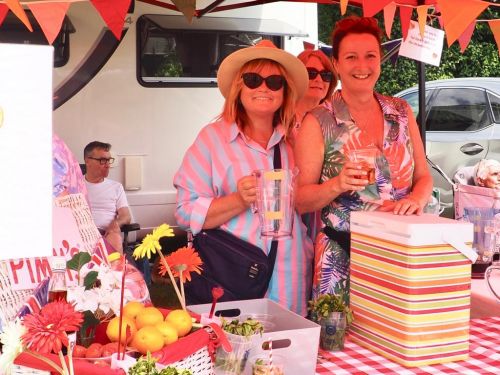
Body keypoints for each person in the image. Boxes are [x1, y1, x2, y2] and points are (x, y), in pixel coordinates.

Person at [294, 16, 433, 299]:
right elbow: (299, 199)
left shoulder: (401, 111)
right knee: (342, 342)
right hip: (342, 260)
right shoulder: (319, 121)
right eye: (351, 57)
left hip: (401, 254)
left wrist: (416, 200)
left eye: (370, 56)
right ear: (337, 64)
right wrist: (337, 184)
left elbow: (423, 176)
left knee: (397, 337)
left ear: (380, 60)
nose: (362, 66)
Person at [174, 40, 314, 316]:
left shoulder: (295, 141)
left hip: (291, 280)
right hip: (234, 277)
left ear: (285, 92)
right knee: (233, 355)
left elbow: (309, 203)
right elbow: (185, 212)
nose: (264, 87)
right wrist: (239, 199)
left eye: (275, 82)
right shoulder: (213, 139)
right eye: (253, 79)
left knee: (288, 352)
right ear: (239, 88)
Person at [84, 141, 131, 253]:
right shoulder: (75, 185)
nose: (108, 165)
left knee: (115, 236)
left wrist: (116, 223)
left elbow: (126, 216)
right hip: (82, 235)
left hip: (107, 234)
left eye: (109, 160)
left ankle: (114, 270)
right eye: (102, 160)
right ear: (87, 161)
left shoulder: (116, 187)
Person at [293, 49, 337, 137]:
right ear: (295, 77)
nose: (319, 79)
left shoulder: (338, 120)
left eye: (325, 75)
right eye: (311, 73)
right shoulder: (277, 119)